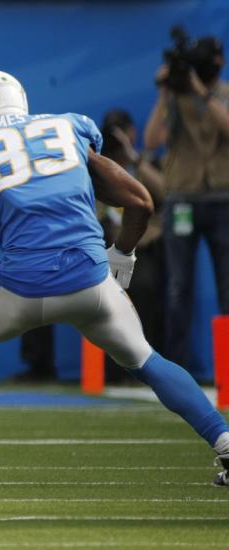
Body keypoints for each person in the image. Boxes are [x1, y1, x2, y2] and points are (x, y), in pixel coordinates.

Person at [0, 70, 229, 487]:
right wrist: (121, 253)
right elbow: (140, 201)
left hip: (20, 288)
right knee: (146, 359)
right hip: (91, 283)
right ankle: (225, 443)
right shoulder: (67, 128)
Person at [144, 36, 229, 370]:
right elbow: (151, 141)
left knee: (227, 286)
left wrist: (201, 93)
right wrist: (164, 93)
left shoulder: (222, 94)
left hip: (223, 200)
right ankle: (176, 367)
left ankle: (225, 370)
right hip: (182, 200)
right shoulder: (175, 99)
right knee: (179, 285)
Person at [99, 109, 166, 354]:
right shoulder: (98, 167)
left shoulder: (145, 164)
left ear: (132, 133)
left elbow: (164, 192)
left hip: (143, 248)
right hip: (104, 246)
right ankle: (112, 366)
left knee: (144, 285)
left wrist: (133, 157)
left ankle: (145, 353)